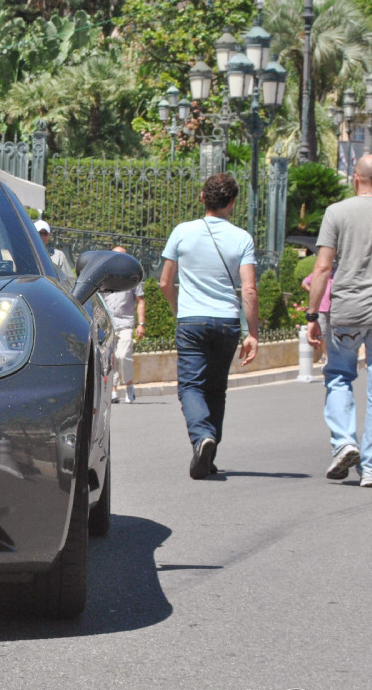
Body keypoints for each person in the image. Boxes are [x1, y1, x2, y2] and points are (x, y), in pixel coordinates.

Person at [306, 154, 372, 488]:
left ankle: (344, 442)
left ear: (356, 177)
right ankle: (371, 470)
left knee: (339, 375)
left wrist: (312, 315)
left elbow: (323, 268)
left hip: (346, 312)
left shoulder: (337, 212)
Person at [158, 172, 259, 480]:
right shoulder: (242, 238)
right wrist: (252, 333)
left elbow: (164, 282)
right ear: (232, 203)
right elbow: (249, 289)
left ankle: (203, 437)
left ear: (202, 198)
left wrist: (179, 310)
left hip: (191, 321)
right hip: (227, 322)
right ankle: (209, 450)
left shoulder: (182, 232)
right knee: (216, 388)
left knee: (190, 386)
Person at [101, 246, 146, 403]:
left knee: (123, 356)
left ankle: (129, 387)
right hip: (109, 323)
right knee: (111, 359)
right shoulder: (105, 276)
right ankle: (113, 391)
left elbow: (140, 300)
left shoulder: (133, 276)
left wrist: (141, 324)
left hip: (126, 322)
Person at [34, 219, 75, 284]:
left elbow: (70, 281)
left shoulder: (59, 256)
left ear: (49, 235)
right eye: (40, 233)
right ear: (33, 234)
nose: (42, 237)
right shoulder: (25, 255)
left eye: (45, 234)